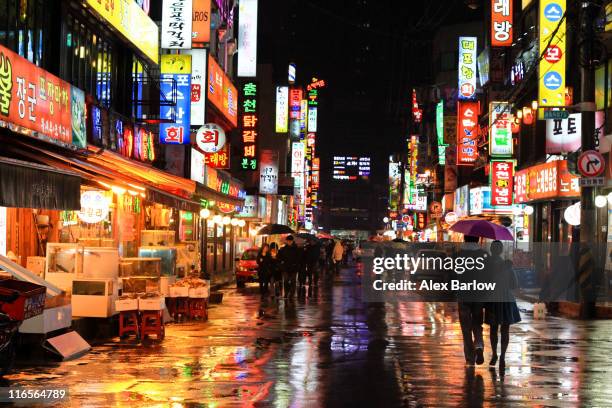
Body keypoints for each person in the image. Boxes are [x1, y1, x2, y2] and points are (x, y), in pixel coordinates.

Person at [484, 241, 521, 367]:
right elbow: (515, 285)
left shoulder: (486, 265)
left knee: (493, 329)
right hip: (506, 300)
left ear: (491, 250)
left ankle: (494, 354)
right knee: (505, 330)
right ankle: (503, 357)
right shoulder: (507, 266)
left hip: (492, 300)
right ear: (500, 251)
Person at [457, 235, 488, 366]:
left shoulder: (459, 255)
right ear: (477, 240)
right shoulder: (484, 254)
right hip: (479, 294)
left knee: (466, 328)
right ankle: (479, 345)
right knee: (477, 324)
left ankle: (470, 357)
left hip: (463, 294)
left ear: (464, 239)